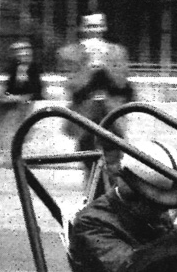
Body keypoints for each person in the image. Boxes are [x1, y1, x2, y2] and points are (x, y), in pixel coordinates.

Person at [68, 138, 177, 272]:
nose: (163, 211)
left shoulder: (148, 213)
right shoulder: (92, 223)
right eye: (155, 204)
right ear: (131, 193)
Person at [57, 12, 135, 187]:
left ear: (104, 27)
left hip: (112, 117)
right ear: (82, 28)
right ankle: (93, 204)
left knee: (115, 165)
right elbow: (73, 87)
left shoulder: (118, 51)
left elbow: (121, 84)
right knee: (90, 167)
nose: (95, 30)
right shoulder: (69, 53)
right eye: (90, 26)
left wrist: (104, 65)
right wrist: (90, 66)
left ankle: (114, 203)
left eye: (98, 25)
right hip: (84, 119)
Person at [0, 39, 45, 165]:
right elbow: (9, 88)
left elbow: (37, 90)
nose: (22, 55)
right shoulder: (14, 68)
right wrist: (7, 96)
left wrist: (19, 98)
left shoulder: (34, 68)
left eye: (25, 53)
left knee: (20, 110)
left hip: (29, 99)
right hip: (15, 99)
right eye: (19, 53)